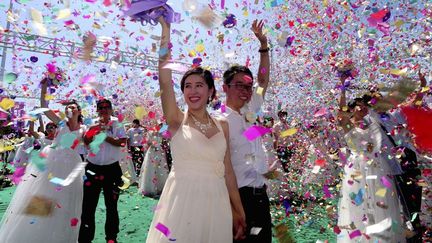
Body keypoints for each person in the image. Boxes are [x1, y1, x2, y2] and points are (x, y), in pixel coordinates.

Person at [145, 16, 246, 242]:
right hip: (182, 203)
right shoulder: (176, 121)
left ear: (210, 91)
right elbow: (164, 80)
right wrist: (166, 30)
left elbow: (228, 170)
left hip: (216, 203)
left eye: (199, 85)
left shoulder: (223, 125)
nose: (193, 90)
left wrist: (238, 209)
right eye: (187, 86)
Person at [0, 77, 86, 242]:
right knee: (42, 198)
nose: (70, 109)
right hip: (52, 162)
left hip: (71, 166)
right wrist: (45, 86)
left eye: (73, 107)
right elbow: (44, 107)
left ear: (79, 111)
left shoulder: (84, 129)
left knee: (65, 204)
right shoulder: (60, 123)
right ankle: (32, 235)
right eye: (67, 107)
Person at [220, 19, 272, 243]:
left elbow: (263, 80)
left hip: (260, 194)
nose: (245, 90)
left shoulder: (251, 109)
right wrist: (234, 208)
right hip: (237, 199)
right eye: (239, 85)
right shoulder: (219, 120)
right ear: (225, 88)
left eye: (247, 86)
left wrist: (264, 46)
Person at [336, 75, 405, 242]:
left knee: (381, 204)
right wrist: (343, 89)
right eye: (359, 107)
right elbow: (340, 113)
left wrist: (373, 93)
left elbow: (387, 106)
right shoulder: (347, 125)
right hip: (357, 170)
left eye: (364, 106)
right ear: (352, 109)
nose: (363, 109)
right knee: (358, 207)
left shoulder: (374, 121)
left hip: (379, 168)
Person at [78, 99, 127, 243]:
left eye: (107, 107)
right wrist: (93, 130)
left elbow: (122, 142)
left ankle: (111, 238)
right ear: (97, 110)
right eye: (101, 107)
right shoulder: (91, 123)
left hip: (112, 169)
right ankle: (85, 239)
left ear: (111, 109)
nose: (104, 109)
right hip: (92, 168)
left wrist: (105, 136)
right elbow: (86, 143)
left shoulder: (117, 123)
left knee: (111, 206)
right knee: (88, 206)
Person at [138, 124, 169, 197]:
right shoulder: (150, 131)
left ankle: (161, 187)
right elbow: (148, 142)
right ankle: (150, 188)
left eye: (160, 124)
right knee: (151, 168)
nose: (159, 125)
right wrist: (153, 146)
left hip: (160, 151)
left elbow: (165, 140)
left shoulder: (162, 131)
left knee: (161, 168)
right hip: (152, 151)